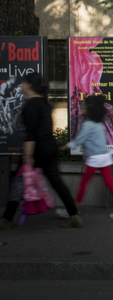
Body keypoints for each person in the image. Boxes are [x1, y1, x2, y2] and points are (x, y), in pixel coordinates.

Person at [0, 73, 82, 229]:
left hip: (38, 151)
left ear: (30, 85)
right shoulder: (44, 104)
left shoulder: (31, 105)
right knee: (57, 182)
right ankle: (74, 215)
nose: (22, 85)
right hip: (50, 147)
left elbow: (30, 134)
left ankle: (7, 218)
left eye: (24, 83)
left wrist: (28, 156)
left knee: (17, 181)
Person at [61, 94, 113, 219]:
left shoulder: (88, 125)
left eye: (83, 106)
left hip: (94, 159)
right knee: (110, 183)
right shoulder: (99, 124)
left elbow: (78, 141)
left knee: (83, 184)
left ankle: (73, 210)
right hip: (105, 157)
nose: (81, 107)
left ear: (89, 109)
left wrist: (62, 147)